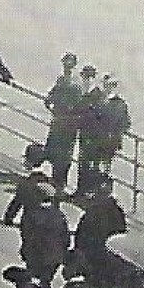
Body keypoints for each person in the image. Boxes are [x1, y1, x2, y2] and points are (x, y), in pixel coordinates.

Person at [44, 56, 91, 195]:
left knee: (63, 154)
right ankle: (58, 181)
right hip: (63, 123)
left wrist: (55, 109)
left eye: (69, 65)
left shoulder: (74, 84)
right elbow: (50, 97)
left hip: (66, 124)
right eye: (66, 65)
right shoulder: (66, 81)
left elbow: (77, 105)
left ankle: (59, 182)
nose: (67, 68)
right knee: (58, 153)